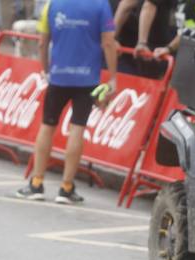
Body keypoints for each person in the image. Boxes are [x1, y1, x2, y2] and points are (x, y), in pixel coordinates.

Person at [15, 0, 118, 205]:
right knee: (77, 129)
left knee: (47, 126)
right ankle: (66, 187)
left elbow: (42, 41)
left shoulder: (51, 5)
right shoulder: (101, 6)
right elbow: (108, 42)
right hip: (87, 78)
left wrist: (44, 68)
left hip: (58, 76)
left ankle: (36, 183)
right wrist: (113, 77)